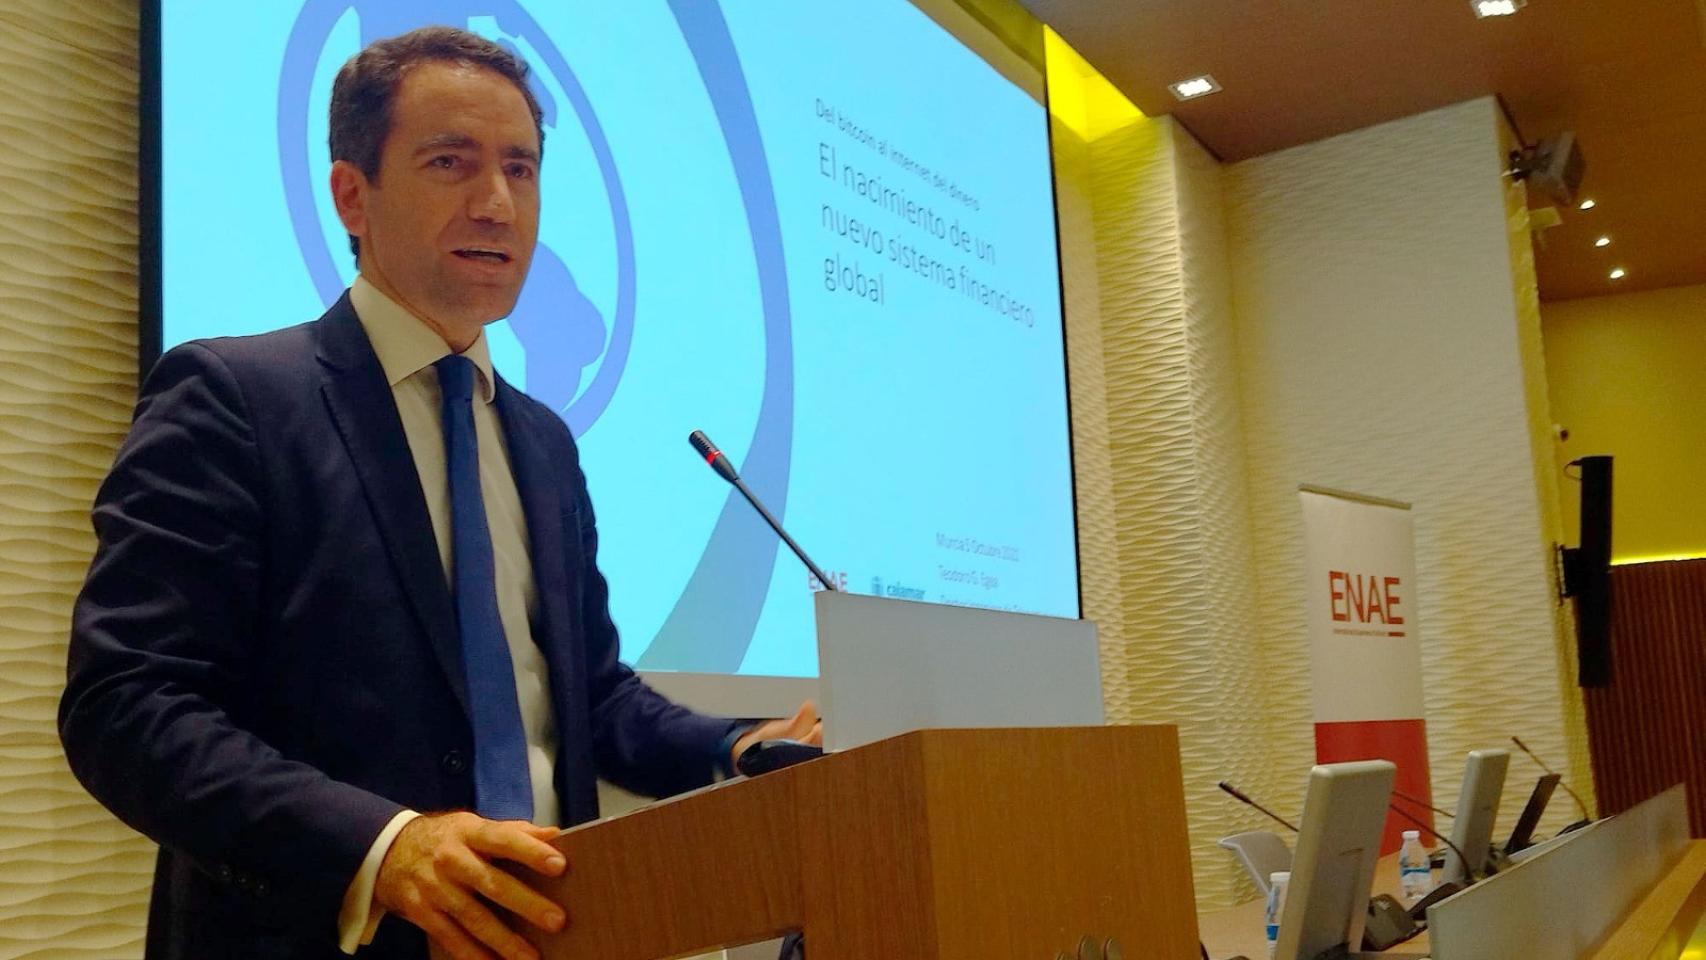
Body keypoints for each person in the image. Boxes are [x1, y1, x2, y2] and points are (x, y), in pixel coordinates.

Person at [58, 26, 819, 960]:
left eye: (520, 169)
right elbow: (127, 704)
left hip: (553, 930)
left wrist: (736, 747)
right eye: (450, 162)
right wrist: (383, 848)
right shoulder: (234, 400)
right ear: (352, 195)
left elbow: (587, 698)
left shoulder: (542, 441)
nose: (497, 203)